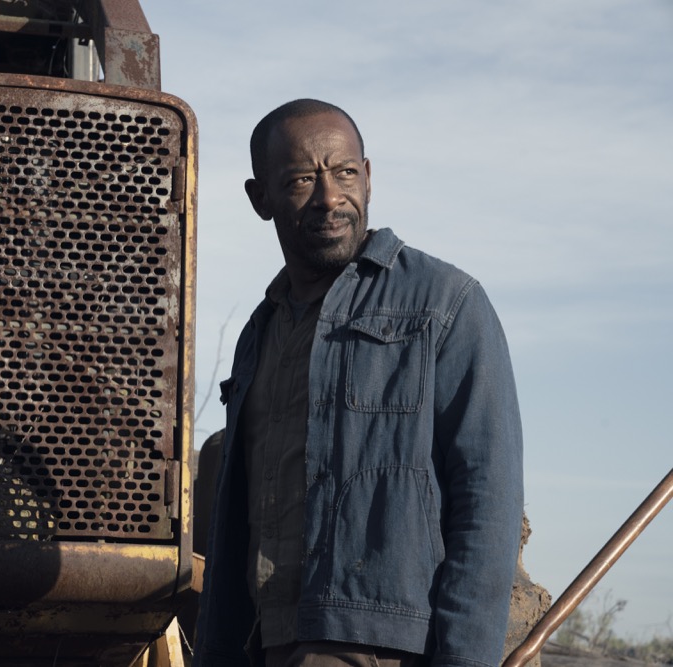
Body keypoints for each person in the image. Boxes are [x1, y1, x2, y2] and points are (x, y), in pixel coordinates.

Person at [193, 99, 524, 667]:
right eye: (301, 179)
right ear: (260, 198)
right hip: (266, 642)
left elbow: (487, 503)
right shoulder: (261, 331)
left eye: (345, 172)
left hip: (380, 647)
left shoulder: (443, 304)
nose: (329, 197)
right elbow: (238, 519)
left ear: (368, 177)